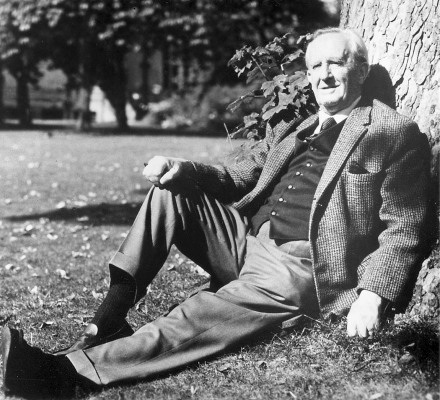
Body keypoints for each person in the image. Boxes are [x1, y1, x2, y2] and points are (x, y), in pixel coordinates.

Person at [2, 28, 432, 398]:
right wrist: (182, 170)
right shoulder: (296, 127)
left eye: (335, 63)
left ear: (361, 69)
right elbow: (239, 177)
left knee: (199, 316)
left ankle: (63, 374)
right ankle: (108, 322)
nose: (323, 75)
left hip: (297, 269)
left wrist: (373, 295)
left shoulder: (391, 132)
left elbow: (405, 227)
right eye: (315, 66)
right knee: (170, 193)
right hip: (245, 240)